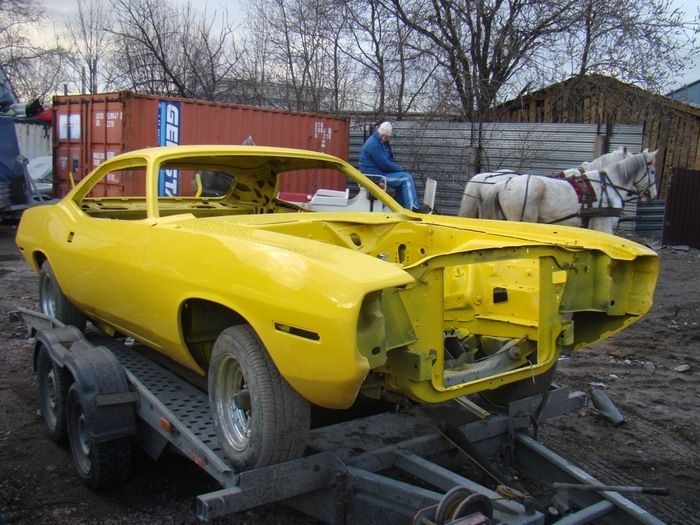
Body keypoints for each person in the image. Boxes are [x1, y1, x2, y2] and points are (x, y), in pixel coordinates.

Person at [359, 121, 430, 212]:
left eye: (387, 137)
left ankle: (398, 208)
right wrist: (401, 170)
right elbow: (385, 164)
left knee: (402, 178)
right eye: (383, 136)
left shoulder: (379, 142)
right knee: (406, 178)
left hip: (376, 173)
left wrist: (399, 171)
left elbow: (387, 161)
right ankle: (413, 208)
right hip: (376, 176)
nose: (384, 139)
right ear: (379, 132)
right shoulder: (373, 144)